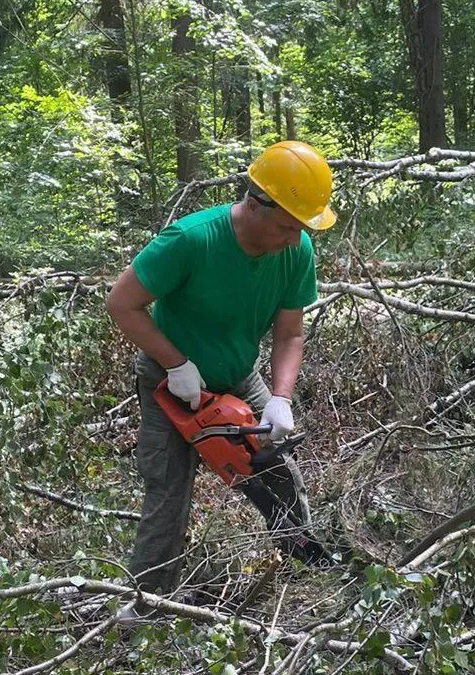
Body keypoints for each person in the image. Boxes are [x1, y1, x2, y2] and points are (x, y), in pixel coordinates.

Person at [106, 140, 337, 598]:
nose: (295, 239)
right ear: (255, 204)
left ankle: (308, 574)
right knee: (168, 496)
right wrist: (176, 364)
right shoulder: (191, 240)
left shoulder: (296, 249)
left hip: (237, 375)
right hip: (169, 384)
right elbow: (121, 303)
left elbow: (290, 332)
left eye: (301, 229)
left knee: (278, 470)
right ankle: (146, 607)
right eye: (289, 226)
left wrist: (280, 397)